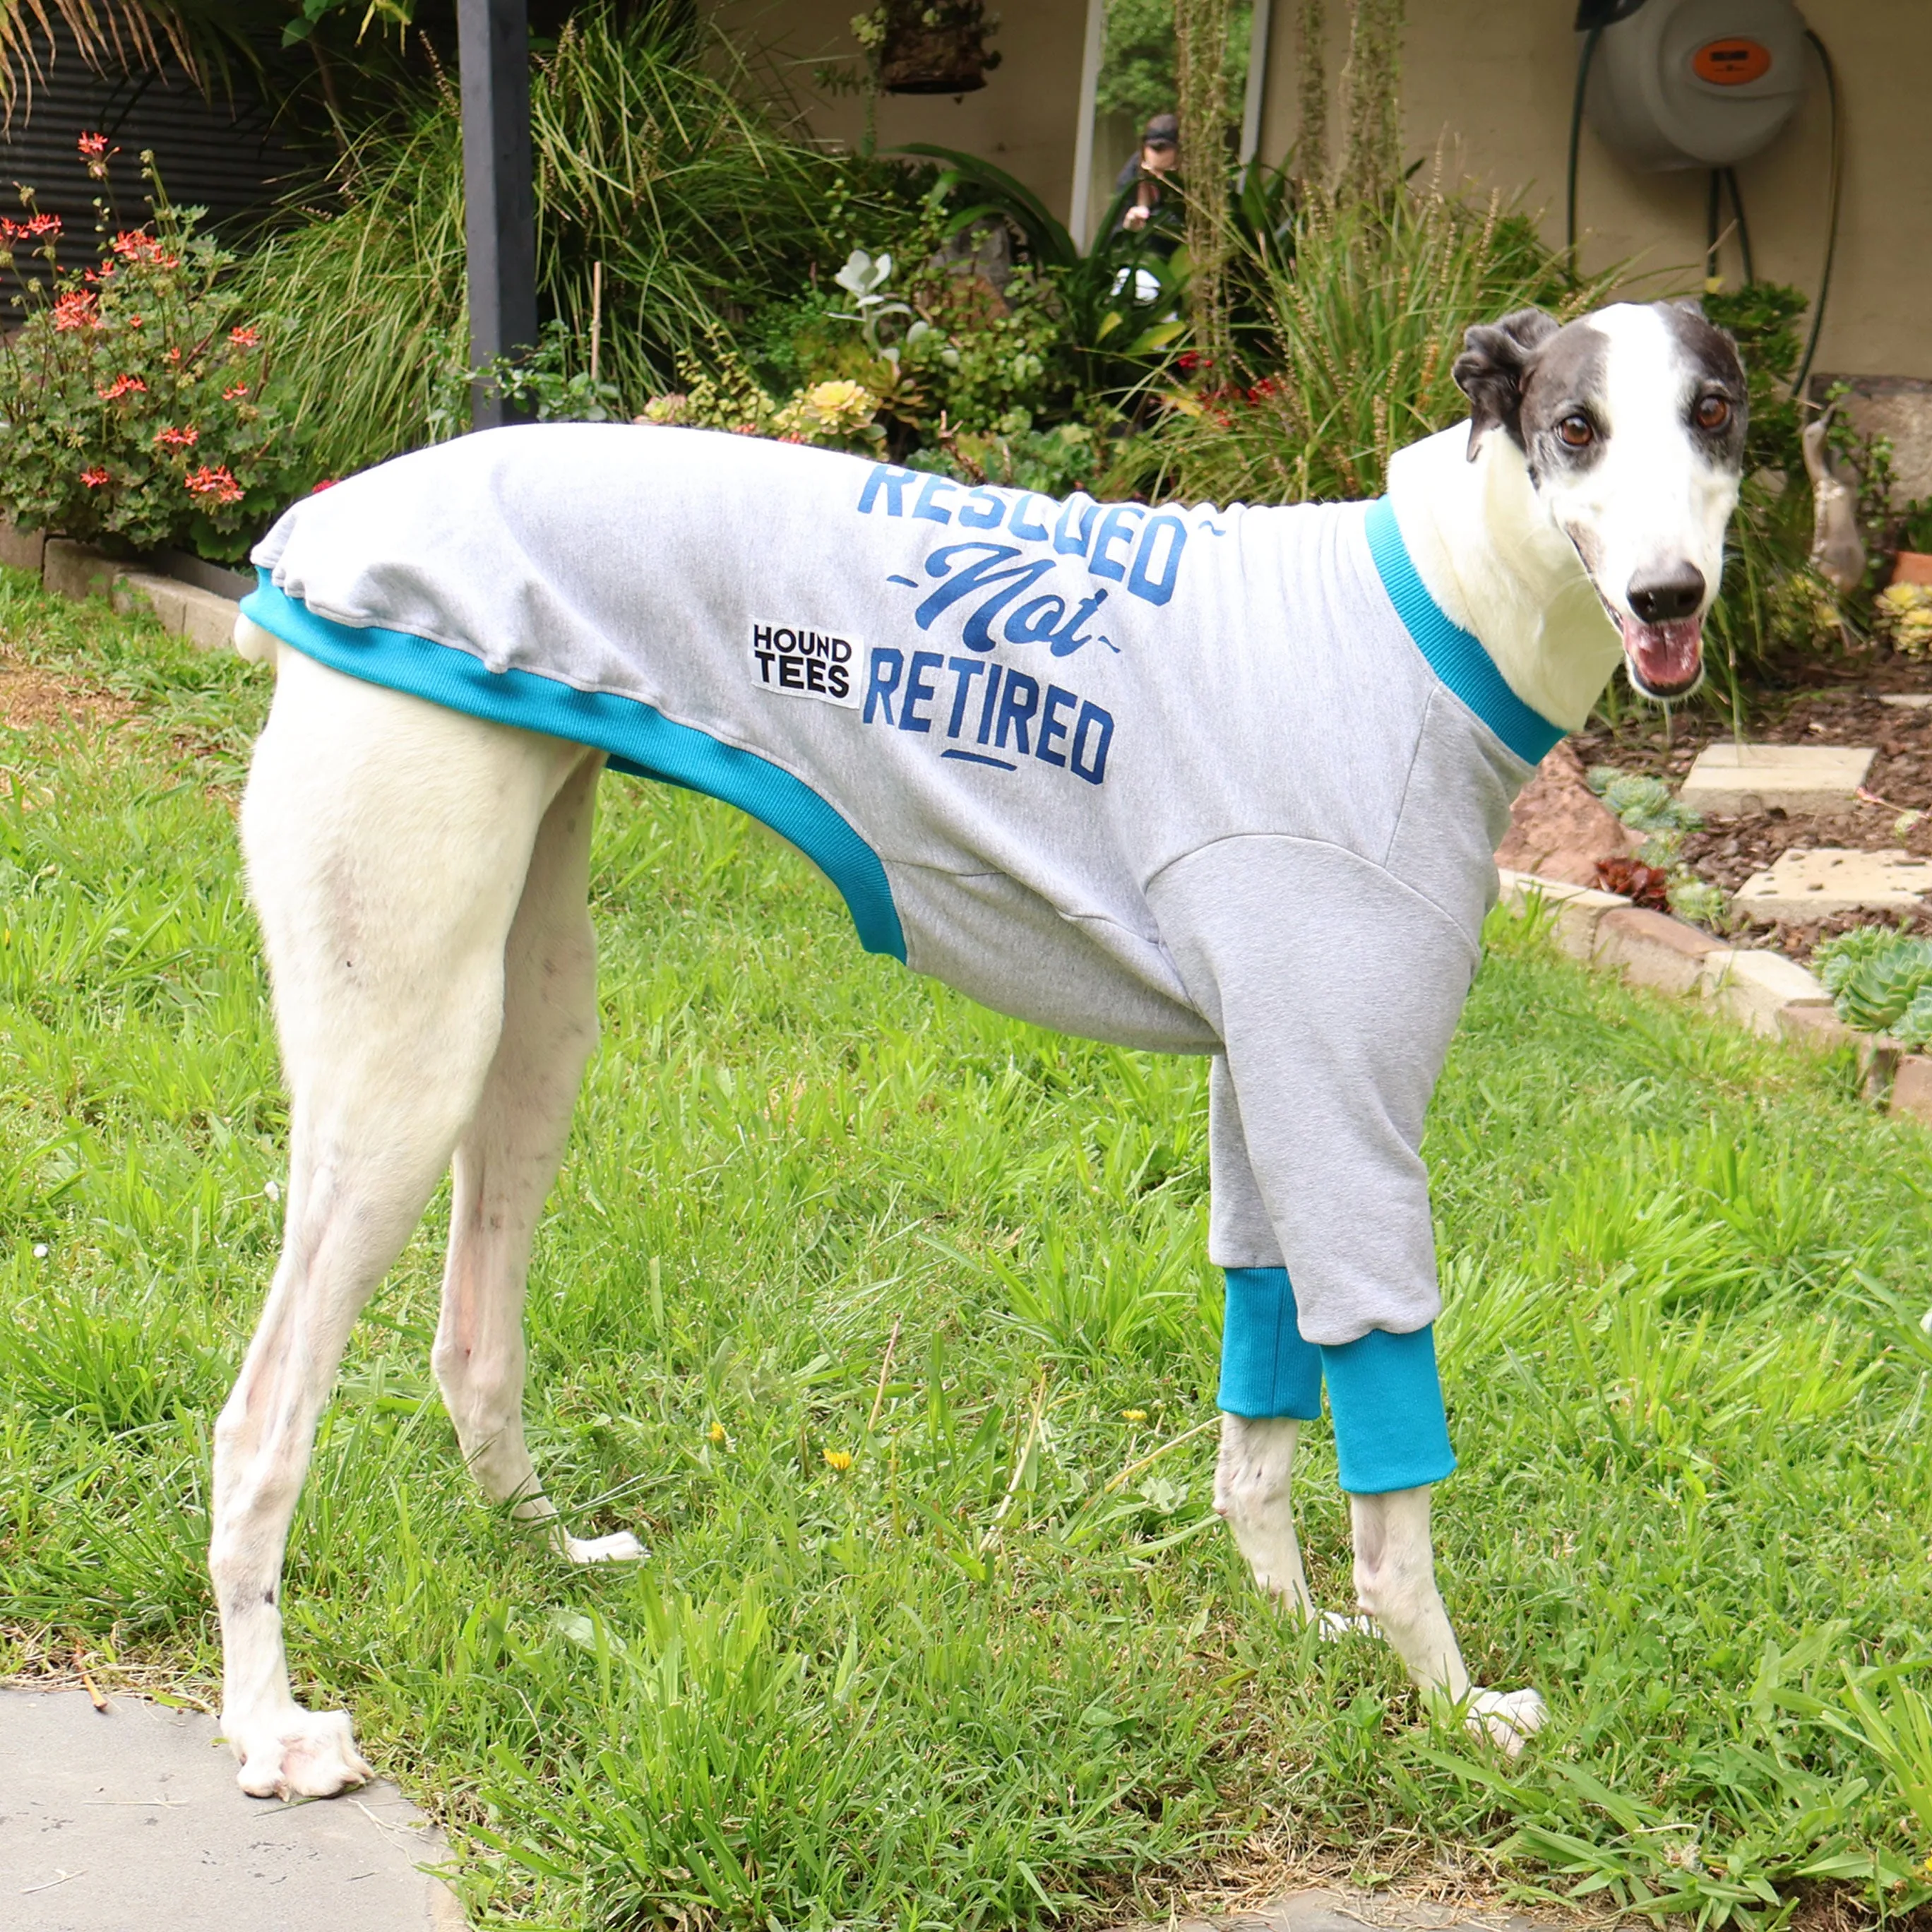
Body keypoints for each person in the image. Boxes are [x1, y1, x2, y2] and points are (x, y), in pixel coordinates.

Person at [1114, 111, 1181, 247]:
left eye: (1166, 172)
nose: (1158, 178)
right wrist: (1127, 228)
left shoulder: (1197, 182)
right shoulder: (1130, 179)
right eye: (1152, 171)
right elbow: (1113, 240)